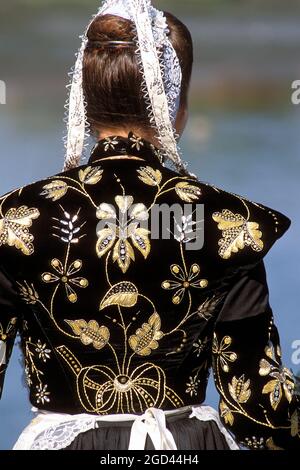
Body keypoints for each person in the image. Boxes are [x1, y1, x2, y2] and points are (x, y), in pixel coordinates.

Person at [0, 0, 299, 451]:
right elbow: (261, 411)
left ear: (84, 99)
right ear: (174, 105)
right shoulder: (225, 225)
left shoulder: (15, 221)